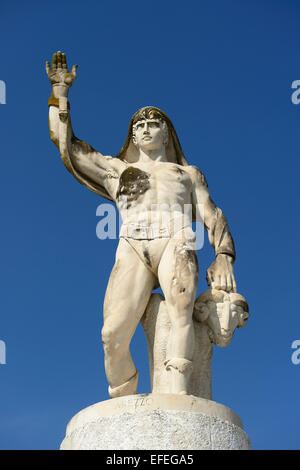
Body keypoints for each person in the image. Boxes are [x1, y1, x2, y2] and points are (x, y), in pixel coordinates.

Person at [46, 51, 237, 397]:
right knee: (112, 335)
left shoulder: (188, 173)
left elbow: (212, 214)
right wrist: (60, 95)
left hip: (177, 237)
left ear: (167, 133)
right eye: (140, 126)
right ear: (132, 137)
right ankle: (123, 397)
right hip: (132, 241)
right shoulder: (116, 171)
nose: (146, 129)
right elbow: (67, 148)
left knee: (180, 314)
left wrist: (223, 254)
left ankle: (177, 393)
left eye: (154, 124)